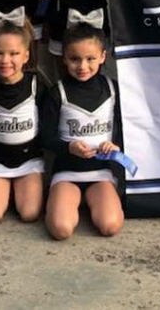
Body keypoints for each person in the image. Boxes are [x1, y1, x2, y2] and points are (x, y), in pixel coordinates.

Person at [41, 15, 125, 240]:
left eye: (90, 58)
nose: (83, 66)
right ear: (64, 59)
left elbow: (127, 128)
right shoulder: (57, 92)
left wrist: (115, 144)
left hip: (101, 173)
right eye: (75, 59)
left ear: (102, 57)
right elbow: (45, 137)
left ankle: (91, 200)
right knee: (61, 230)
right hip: (67, 173)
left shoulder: (113, 89)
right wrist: (68, 148)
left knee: (110, 226)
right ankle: (67, 201)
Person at [0, 9, 45, 223]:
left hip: (29, 160)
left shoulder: (37, 85)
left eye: (14, 54)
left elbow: (48, 123)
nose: (5, 60)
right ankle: (2, 187)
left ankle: (23, 187)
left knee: (30, 214)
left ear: (26, 55)